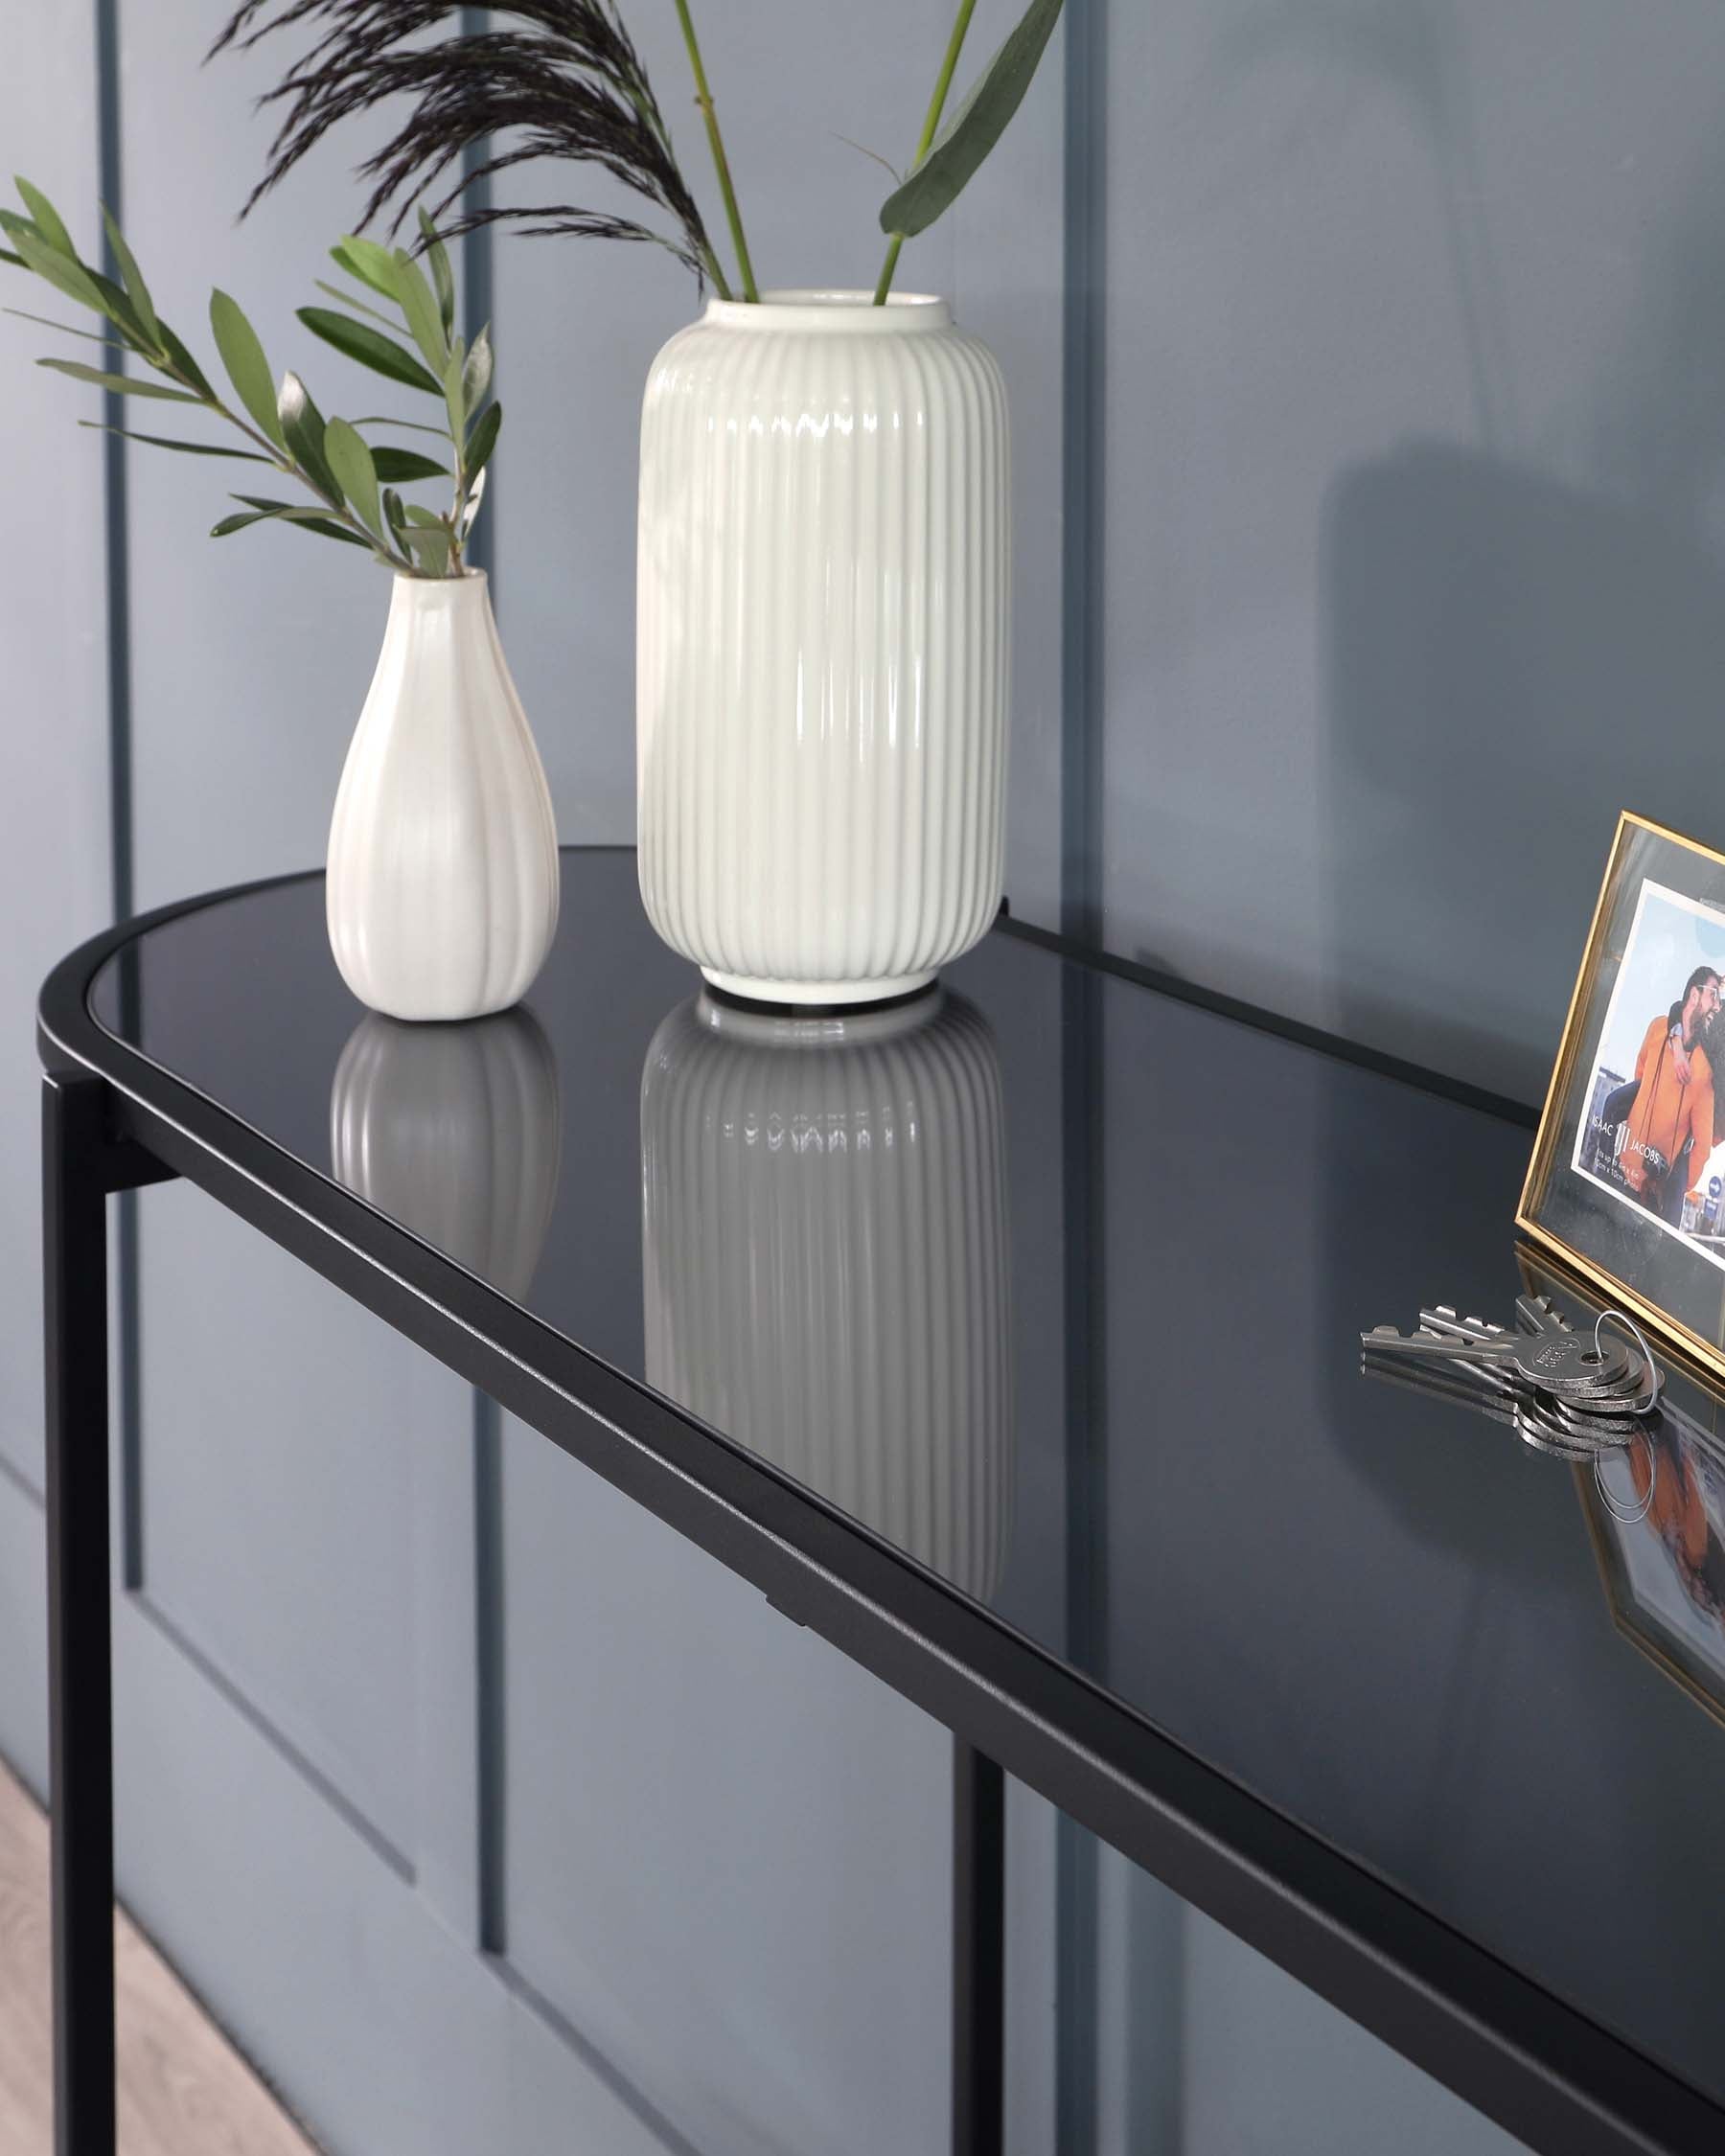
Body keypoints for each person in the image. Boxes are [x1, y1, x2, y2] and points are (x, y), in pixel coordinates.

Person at [1614, 964, 1719, 1222]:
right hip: (1648, 1180)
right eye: (1713, 995)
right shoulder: (1666, 1032)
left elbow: (1640, 1071)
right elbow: (1703, 1147)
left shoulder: (1660, 1028)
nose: (1717, 1006)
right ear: (1695, 995)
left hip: (1629, 1169)